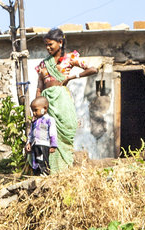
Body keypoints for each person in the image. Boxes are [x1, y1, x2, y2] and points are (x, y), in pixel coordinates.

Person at [36, 28, 102, 175]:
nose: (48, 48)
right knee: (48, 135)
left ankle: (63, 171)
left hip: (62, 100)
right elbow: (39, 88)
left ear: (60, 42)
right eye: (46, 45)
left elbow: (93, 69)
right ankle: (49, 171)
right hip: (47, 102)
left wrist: (72, 77)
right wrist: (36, 106)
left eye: (50, 44)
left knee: (64, 133)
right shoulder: (43, 64)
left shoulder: (70, 58)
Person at [27, 96, 56, 175]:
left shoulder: (49, 120)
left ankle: (45, 175)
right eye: (32, 110)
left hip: (43, 144)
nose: (34, 113)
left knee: (43, 161)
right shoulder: (35, 121)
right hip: (35, 144)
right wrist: (29, 143)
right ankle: (36, 175)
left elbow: (52, 133)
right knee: (35, 161)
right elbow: (31, 133)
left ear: (45, 109)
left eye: (36, 110)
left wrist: (53, 145)